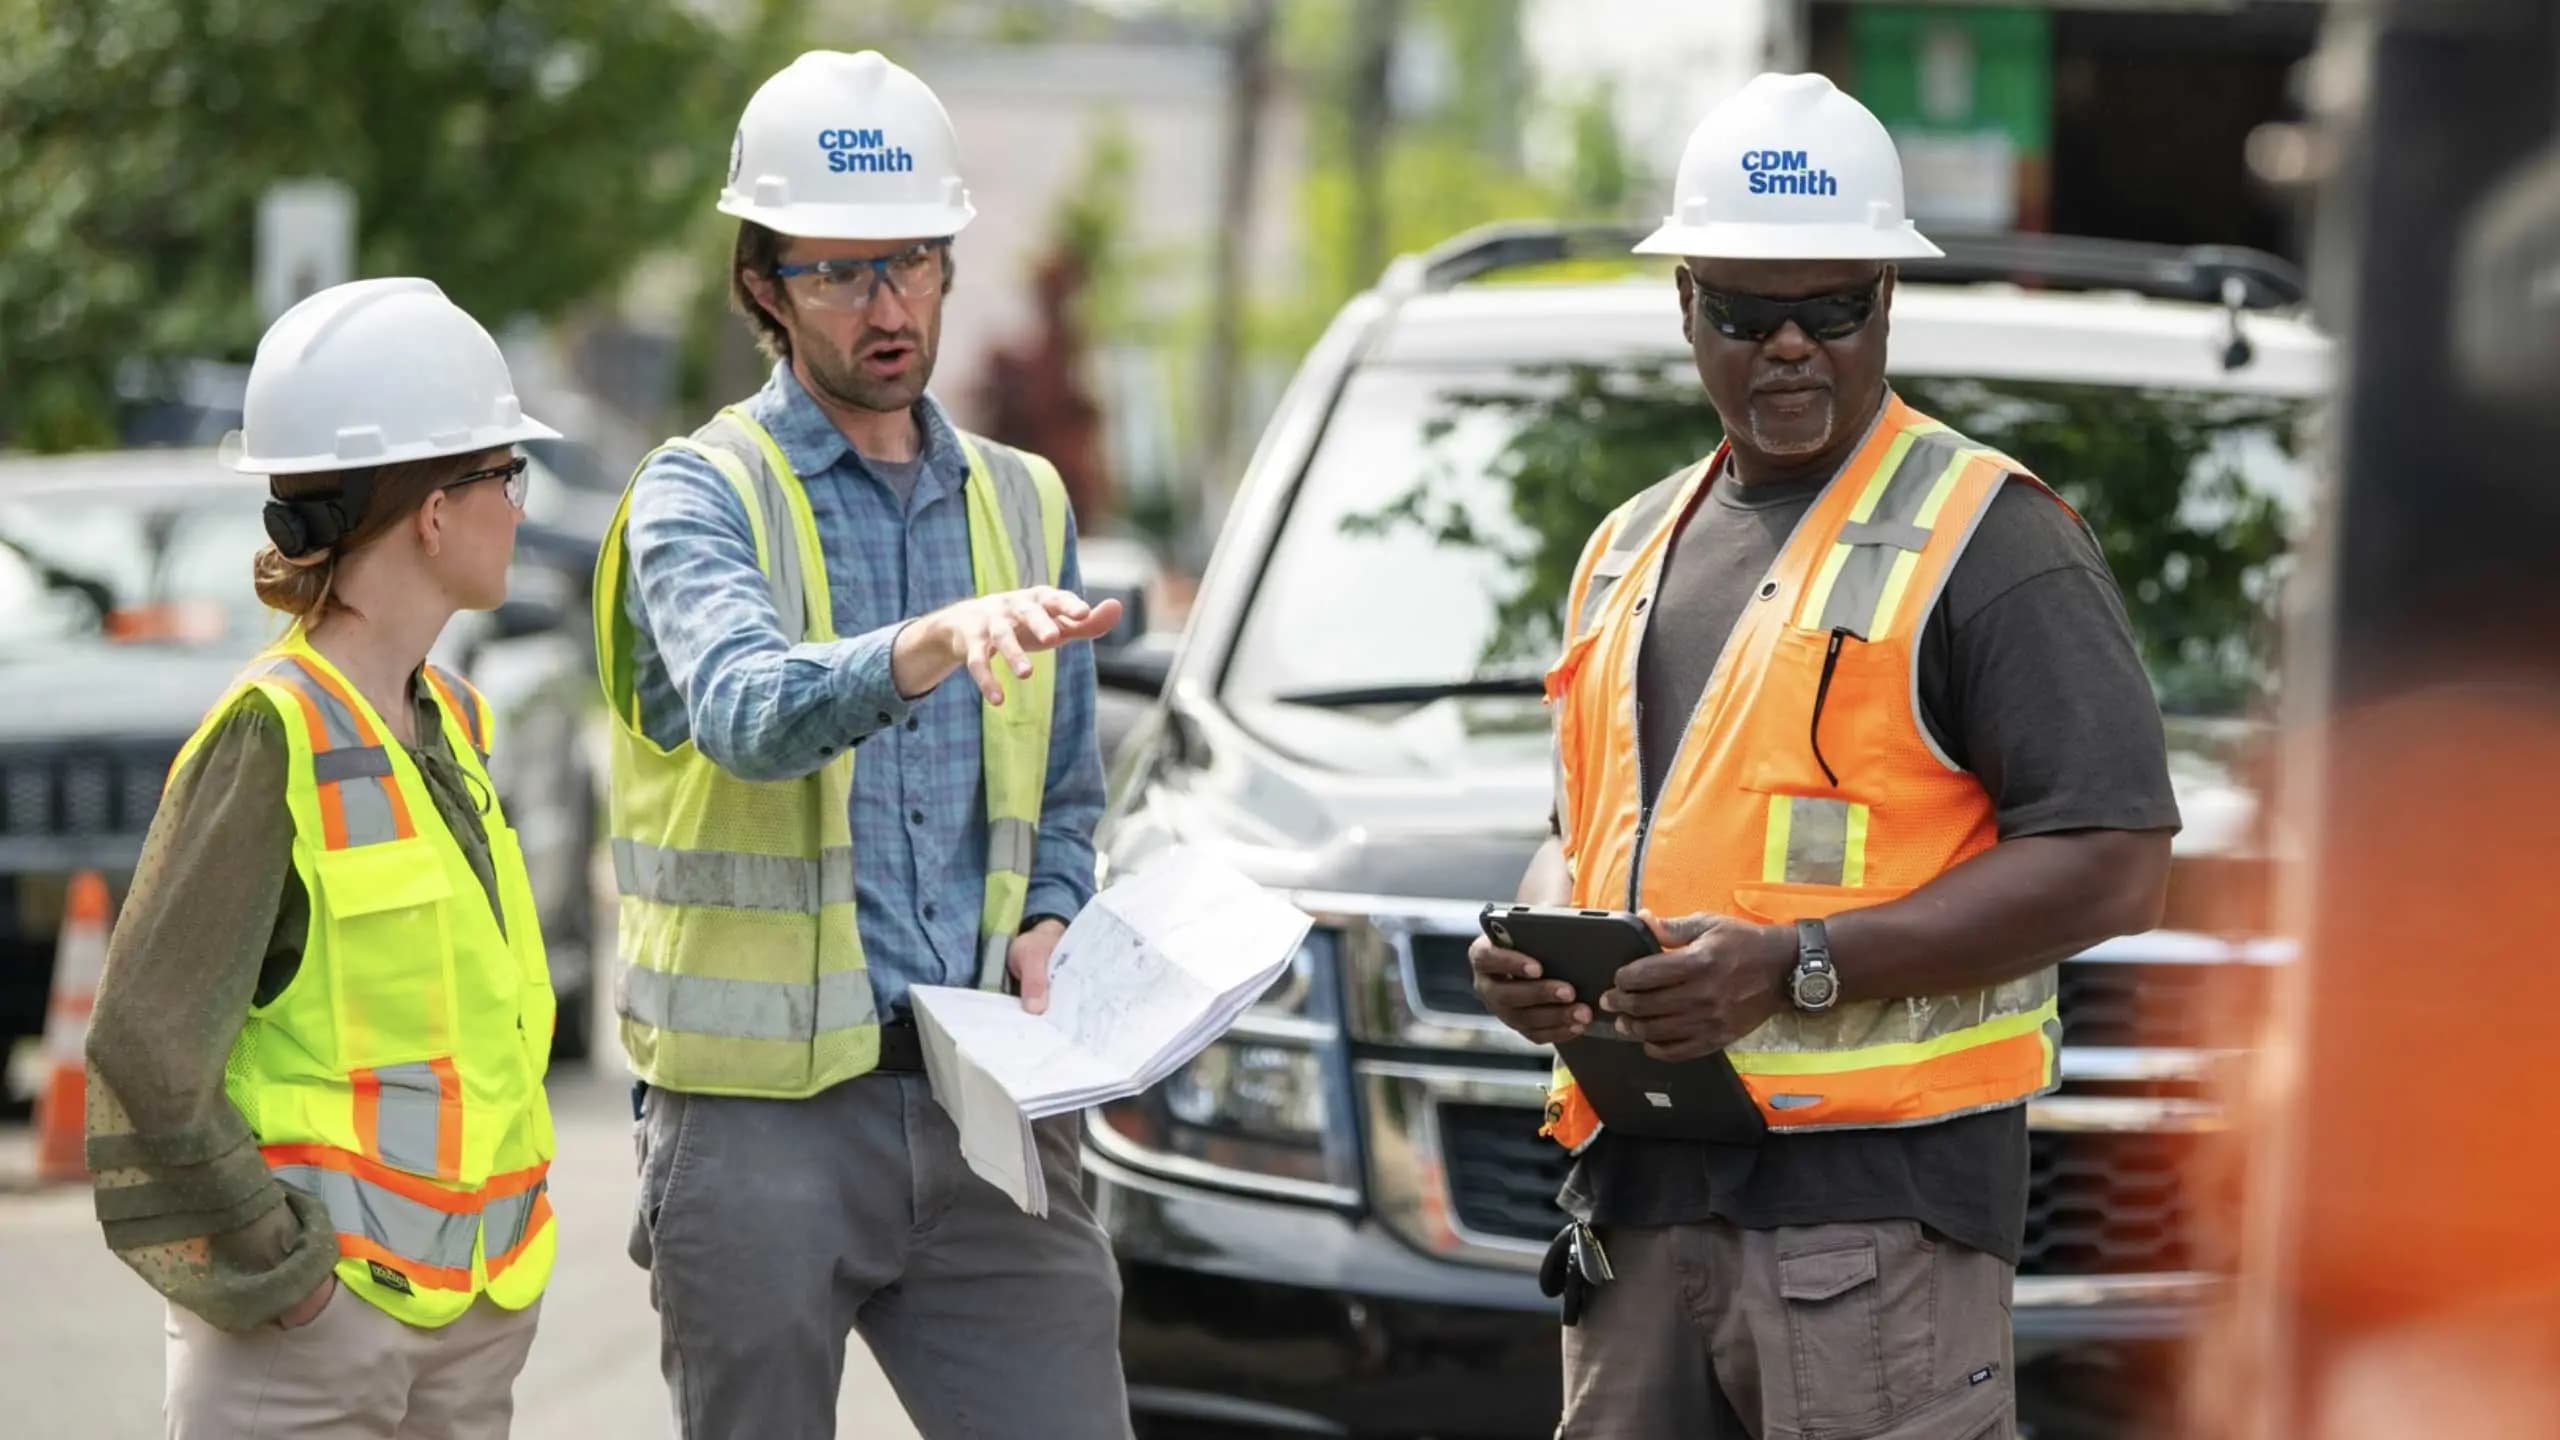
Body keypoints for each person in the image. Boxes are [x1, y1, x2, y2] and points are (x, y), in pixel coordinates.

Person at [1468, 74, 2180, 1439]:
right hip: (1637, 1201)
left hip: (1876, 1219)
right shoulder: (1625, 550)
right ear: (1685, 306)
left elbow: (2115, 864)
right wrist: (1530, 950)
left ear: (1885, 302)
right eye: (1744, 313)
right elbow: (1597, 827)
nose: (1790, 347)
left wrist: (1797, 964)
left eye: (1831, 309)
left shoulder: (1992, 538)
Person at [597, 50, 1128, 1439]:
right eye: (837, 272)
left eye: (908, 263)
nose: (885, 305)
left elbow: (1064, 793)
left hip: (986, 1103)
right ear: (763, 286)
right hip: (756, 1127)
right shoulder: (698, 494)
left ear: (948, 261)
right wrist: (926, 644)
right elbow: (746, 712)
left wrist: (1056, 910)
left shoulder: (1025, 499)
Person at [83, 277, 565, 1439]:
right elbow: (145, 1044)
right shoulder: (272, 736)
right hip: (311, 1342)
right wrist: (277, 1268)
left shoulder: (443, 719)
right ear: (435, 513)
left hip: (470, 1320)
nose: (519, 505)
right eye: (507, 475)